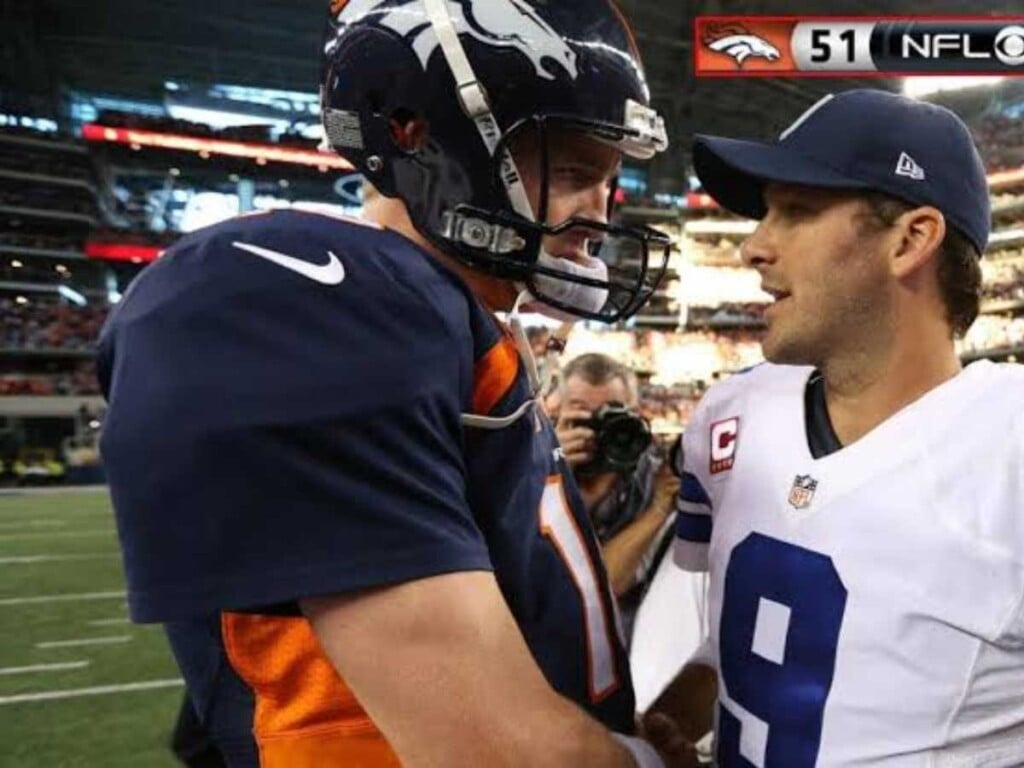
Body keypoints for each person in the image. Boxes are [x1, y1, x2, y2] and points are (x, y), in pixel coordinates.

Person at [97, 1, 691, 766]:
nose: (599, 213)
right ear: (417, 133)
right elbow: (494, 750)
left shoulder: (463, 324)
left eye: (610, 180)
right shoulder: (321, 298)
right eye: (576, 169)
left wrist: (614, 734)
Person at [644, 89, 1024, 766]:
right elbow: (748, 639)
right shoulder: (731, 415)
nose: (753, 247)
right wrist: (668, 724)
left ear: (910, 239)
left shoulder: (1008, 447)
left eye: (796, 212)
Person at [555, 353, 680, 620]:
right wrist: (550, 472)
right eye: (585, 416)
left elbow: (604, 584)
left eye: (612, 414)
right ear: (559, 413)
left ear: (635, 414)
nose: (601, 429)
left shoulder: (658, 474)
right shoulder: (533, 469)